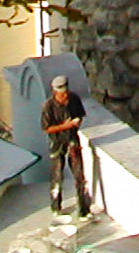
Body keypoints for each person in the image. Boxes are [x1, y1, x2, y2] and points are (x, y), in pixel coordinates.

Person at [41, 75, 91, 218]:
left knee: (79, 175)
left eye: (66, 92)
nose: (65, 96)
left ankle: (84, 210)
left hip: (72, 141)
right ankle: (56, 207)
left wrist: (76, 123)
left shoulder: (74, 99)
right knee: (57, 176)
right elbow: (47, 128)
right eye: (62, 93)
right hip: (57, 143)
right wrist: (65, 125)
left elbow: (80, 116)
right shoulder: (48, 106)